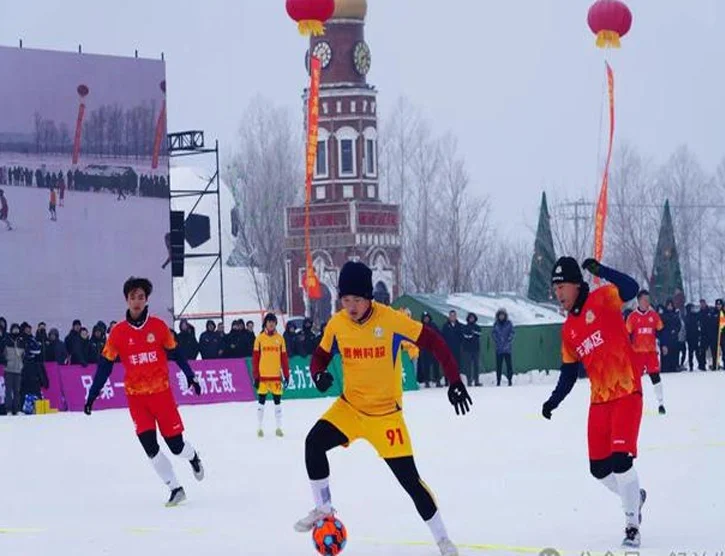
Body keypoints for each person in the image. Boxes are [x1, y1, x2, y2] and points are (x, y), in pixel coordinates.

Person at [293, 261, 471, 556]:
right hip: (350, 409)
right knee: (313, 443)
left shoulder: (391, 321)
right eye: (345, 300)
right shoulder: (338, 323)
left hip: (386, 417)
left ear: (369, 298)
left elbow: (435, 342)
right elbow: (320, 356)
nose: (350, 306)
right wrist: (318, 374)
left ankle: (443, 540)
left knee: (411, 482)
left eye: (357, 300)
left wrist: (454, 379)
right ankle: (324, 508)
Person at [542, 257, 646, 548]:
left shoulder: (603, 299)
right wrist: (553, 401)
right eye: (555, 288)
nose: (559, 294)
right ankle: (635, 496)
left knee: (621, 462)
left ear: (577, 284)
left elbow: (632, 287)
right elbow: (568, 373)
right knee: (599, 470)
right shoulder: (568, 331)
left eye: (562, 286)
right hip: (599, 401)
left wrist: (601, 271)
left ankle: (631, 524)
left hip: (626, 391)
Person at [84, 277, 205, 506]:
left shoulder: (159, 327)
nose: (136, 301)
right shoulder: (118, 332)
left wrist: (191, 375)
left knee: (176, 446)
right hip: (137, 399)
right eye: (132, 297)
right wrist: (92, 394)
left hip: (162, 396)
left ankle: (193, 457)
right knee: (150, 448)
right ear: (126, 300)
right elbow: (105, 365)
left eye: (141, 297)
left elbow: (177, 354)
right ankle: (175, 488)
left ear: (146, 299)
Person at [626, 290, 666, 415]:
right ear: (639, 301)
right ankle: (635, 404)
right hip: (637, 353)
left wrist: (664, 345)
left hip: (651, 352)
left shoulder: (654, 316)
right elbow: (627, 334)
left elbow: (661, 331)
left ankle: (661, 403)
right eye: (645, 300)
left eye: (648, 300)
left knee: (655, 376)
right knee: (635, 380)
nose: (647, 302)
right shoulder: (632, 317)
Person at [252, 313, 290, 438]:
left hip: (275, 378)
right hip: (263, 378)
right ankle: (259, 427)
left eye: (273, 321)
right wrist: (256, 376)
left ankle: (279, 428)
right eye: (269, 321)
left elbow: (284, 359)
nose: (271, 324)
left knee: (277, 403)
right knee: (261, 403)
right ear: (265, 323)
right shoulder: (259, 339)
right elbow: (255, 359)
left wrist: (286, 375)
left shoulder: (280, 339)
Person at [492, 308, 515, 387]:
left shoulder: (509, 323)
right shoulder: (496, 324)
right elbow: (494, 334)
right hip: (499, 349)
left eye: (503, 315)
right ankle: (498, 381)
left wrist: (508, 341)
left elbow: (512, 333)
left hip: (507, 349)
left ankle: (510, 380)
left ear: (505, 316)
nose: (501, 317)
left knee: (509, 366)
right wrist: (497, 341)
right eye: (500, 315)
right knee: (499, 366)